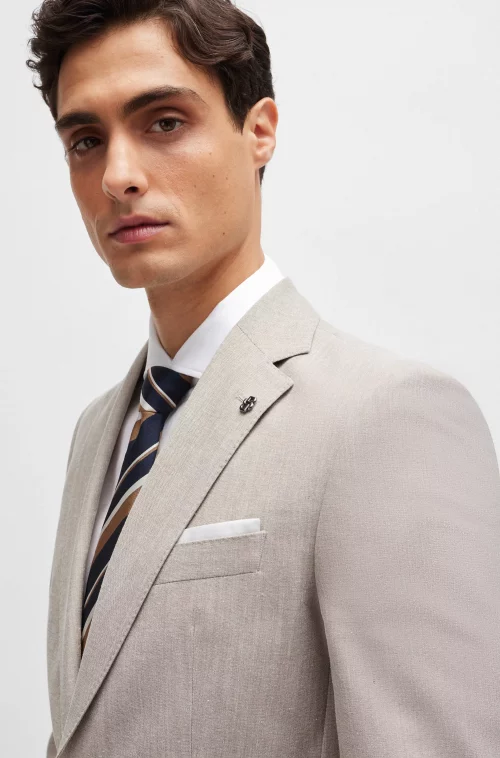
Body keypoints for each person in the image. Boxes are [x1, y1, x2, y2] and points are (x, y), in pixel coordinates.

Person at [26, 1, 500, 756]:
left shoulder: (384, 419)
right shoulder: (99, 433)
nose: (117, 176)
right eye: (86, 140)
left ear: (260, 131)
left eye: (164, 123)